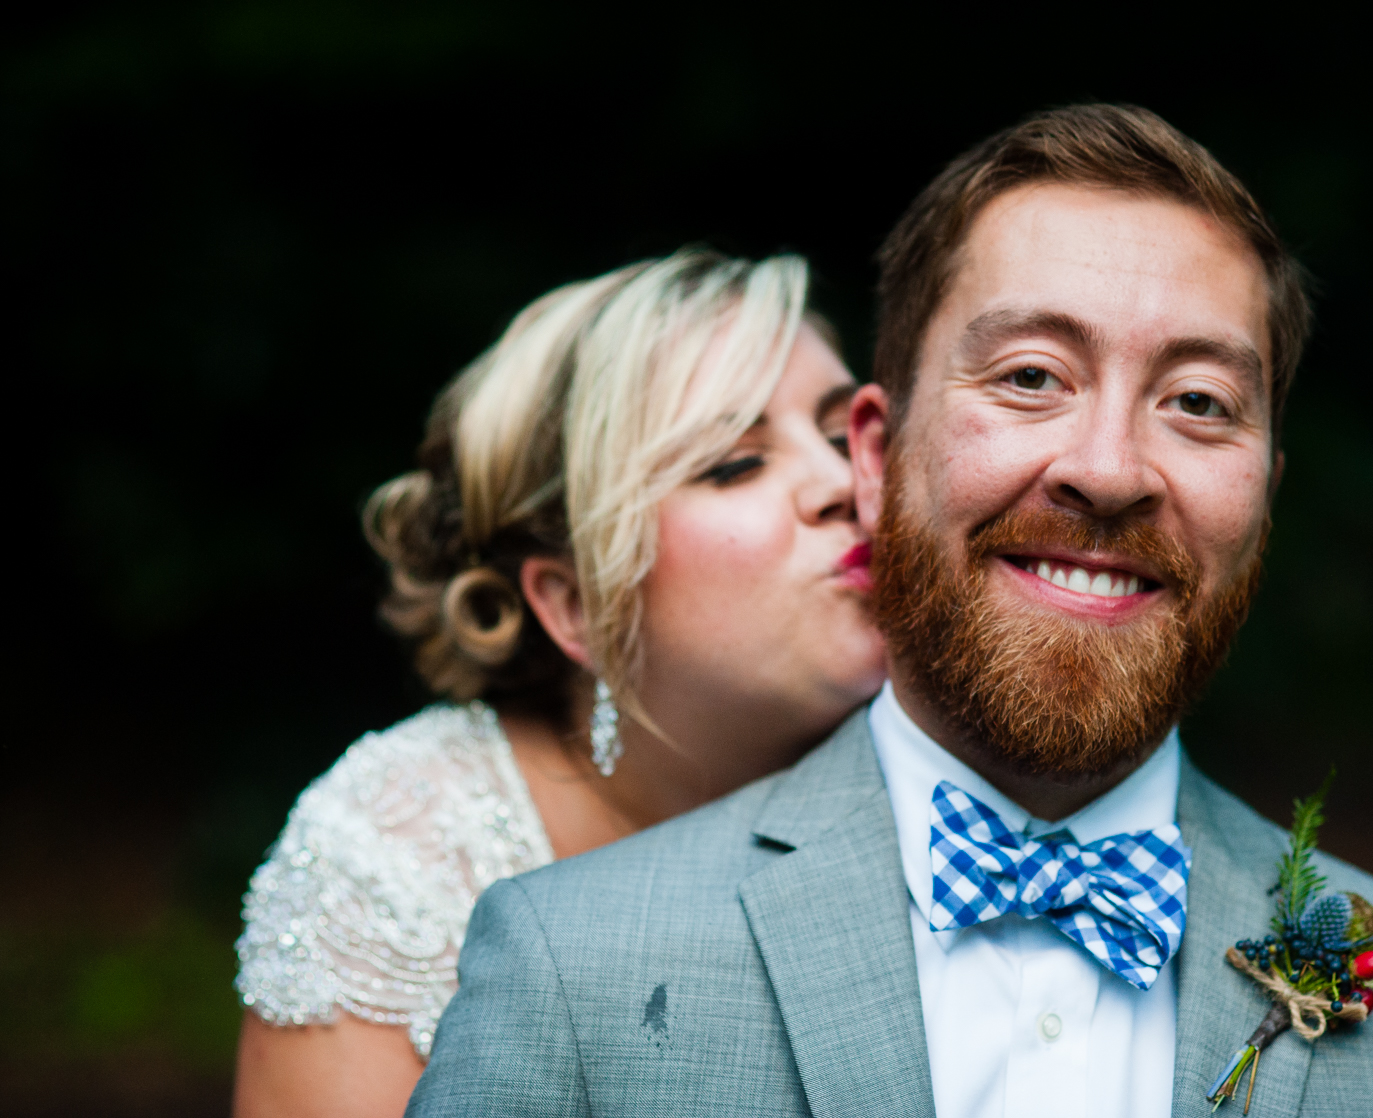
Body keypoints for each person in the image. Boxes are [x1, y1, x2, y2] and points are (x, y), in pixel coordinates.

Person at [407, 106, 1373, 1117]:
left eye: (1198, 401)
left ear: (1264, 493)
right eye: (1031, 376)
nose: (1109, 470)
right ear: (875, 453)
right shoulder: (573, 964)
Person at [230, 250, 886, 1118]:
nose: (845, 484)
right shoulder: (402, 864)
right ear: (576, 603)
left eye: (846, 436)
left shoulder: (968, 770)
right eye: (734, 462)